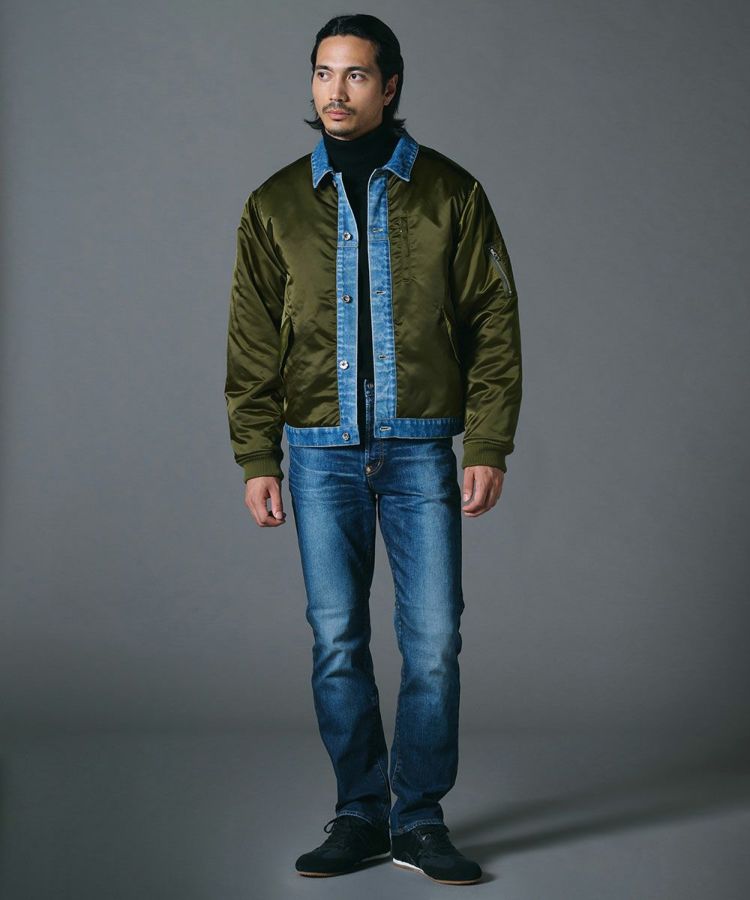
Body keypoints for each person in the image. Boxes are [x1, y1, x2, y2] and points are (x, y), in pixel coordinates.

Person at [224, 13, 522, 886]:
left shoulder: (451, 192)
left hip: (420, 448)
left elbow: (493, 324)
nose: (336, 90)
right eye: (324, 72)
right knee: (336, 641)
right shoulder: (275, 204)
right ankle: (360, 813)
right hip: (318, 454)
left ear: (390, 87)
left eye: (355, 75)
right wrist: (257, 457)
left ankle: (418, 819)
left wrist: (488, 440)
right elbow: (251, 341)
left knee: (432, 641)